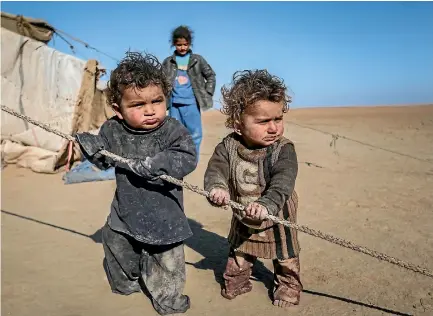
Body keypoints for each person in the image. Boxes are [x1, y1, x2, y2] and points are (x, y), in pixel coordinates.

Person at [75, 51, 197, 315]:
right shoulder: (112, 130)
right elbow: (104, 161)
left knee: (168, 264)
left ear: (167, 99)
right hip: (125, 212)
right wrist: (92, 148)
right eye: (138, 105)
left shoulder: (173, 130)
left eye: (157, 101)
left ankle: (168, 299)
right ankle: (127, 283)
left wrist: (158, 163)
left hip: (165, 216)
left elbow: (187, 158)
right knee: (117, 246)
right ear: (118, 110)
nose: (150, 110)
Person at [203, 69, 302, 308]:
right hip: (243, 215)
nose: (273, 128)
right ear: (238, 124)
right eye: (263, 121)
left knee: (286, 256)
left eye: (278, 119)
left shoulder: (283, 150)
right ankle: (238, 280)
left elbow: (283, 182)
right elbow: (215, 171)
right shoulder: (228, 147)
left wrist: (267, 205)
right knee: (239, 252)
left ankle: (287, 286)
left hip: (278, 216)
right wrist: (217, 189)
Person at [162, 25, 216, 160]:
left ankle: (192, 159)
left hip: (192, 102)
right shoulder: (168, 62)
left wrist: (208, 93)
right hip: (174, 104)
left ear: (190, 44)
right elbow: (160, 81)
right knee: (174, 133)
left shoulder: (198, 60)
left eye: (185, 44)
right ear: (174, 44)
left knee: (195, 133)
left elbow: (210, 75)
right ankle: (177, 159)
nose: (182, 48)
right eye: (179, 45)